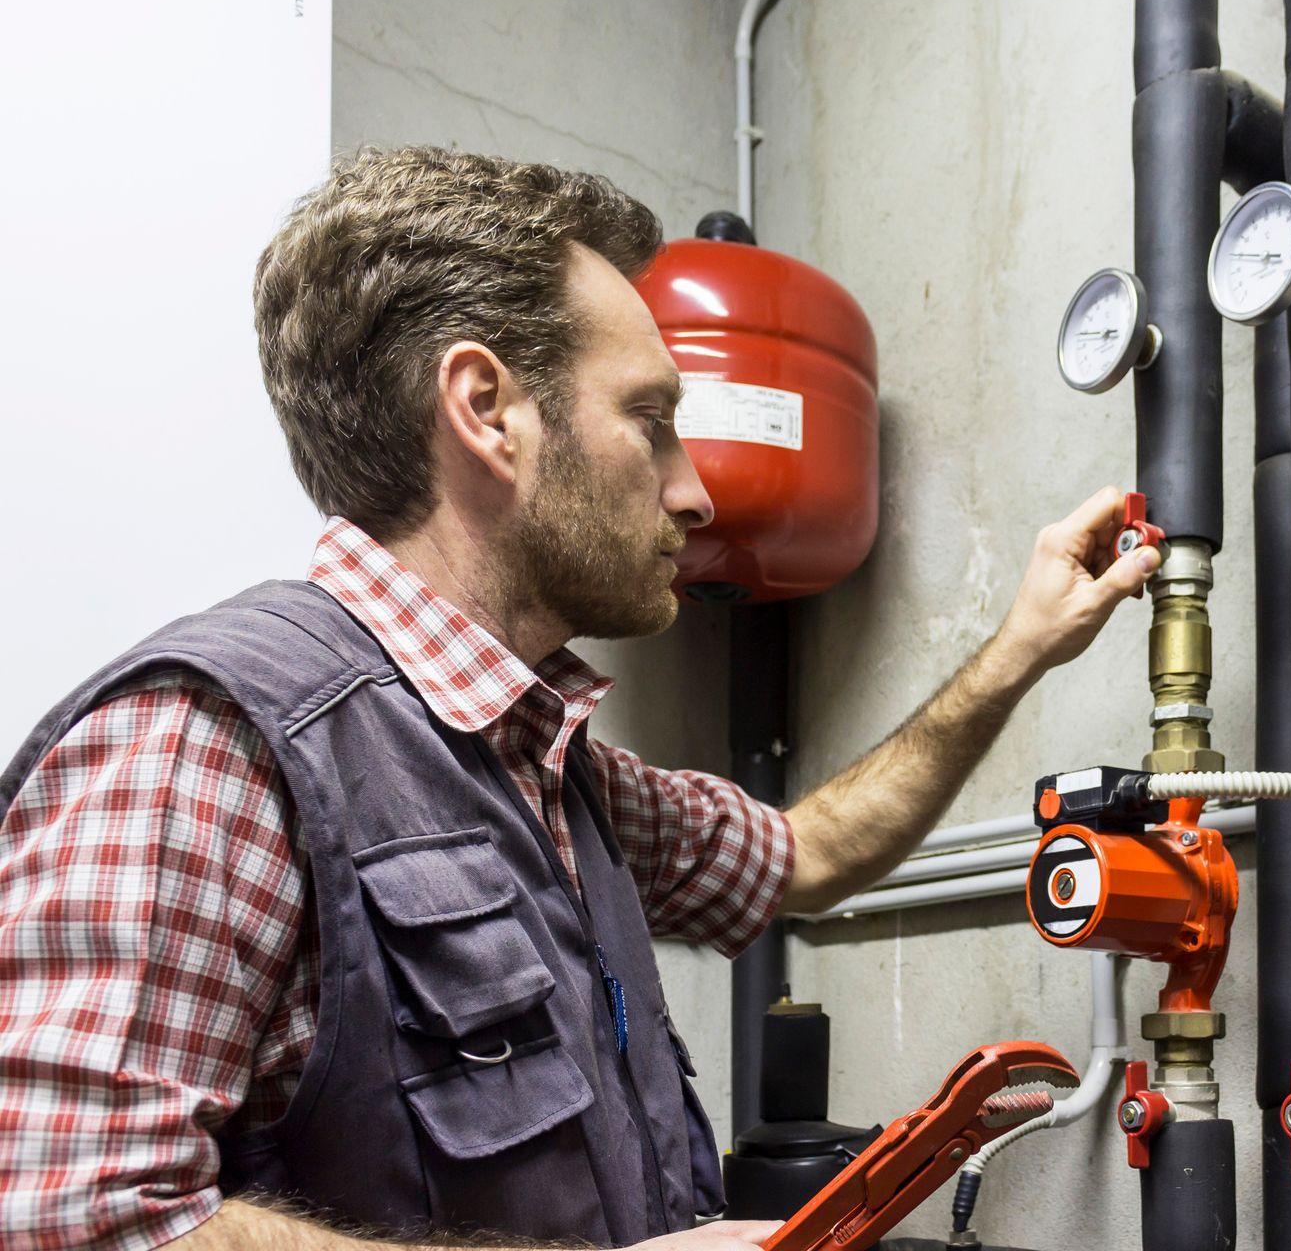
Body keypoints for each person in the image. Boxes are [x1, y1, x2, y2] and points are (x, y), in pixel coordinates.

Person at [0, 147, 1161, 1251]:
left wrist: (1021, 645)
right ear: (486, 409)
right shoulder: (209, 747)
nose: (694, 491)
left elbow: (804, 852)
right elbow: (63, 1216)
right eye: (653, 421)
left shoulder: (557, 769)